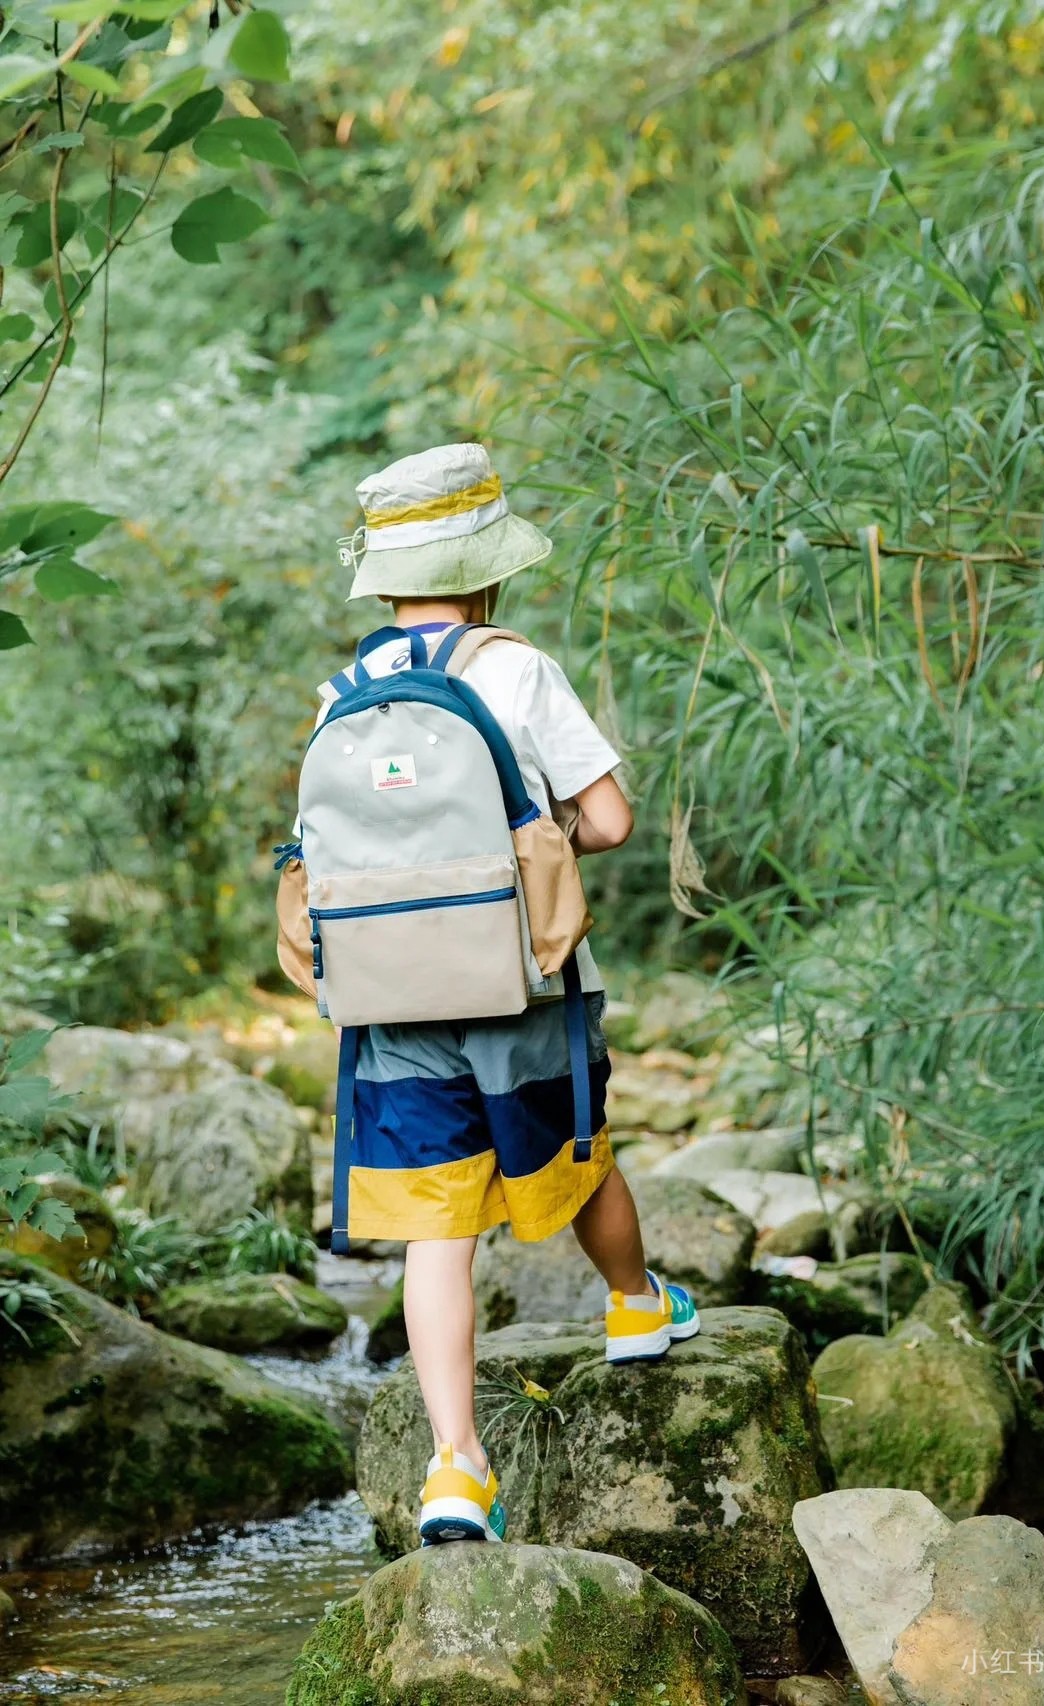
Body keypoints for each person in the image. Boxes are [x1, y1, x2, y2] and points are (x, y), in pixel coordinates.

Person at [320, 443, 699, 1546]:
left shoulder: (348, 689)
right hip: (521, 983)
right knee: (574, 1149)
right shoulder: (515, 667)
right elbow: (613, 819)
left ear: (386, 580)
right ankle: (635, 1306)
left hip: (391, 1000)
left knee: (435, 1230)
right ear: (487, 573)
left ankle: (454, 1465)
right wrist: (541, 841)